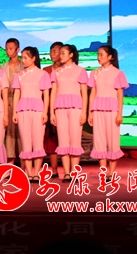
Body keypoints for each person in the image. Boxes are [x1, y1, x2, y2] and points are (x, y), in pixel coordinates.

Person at [88, 45, 129, 179]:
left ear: (110, 57)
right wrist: (90, 112)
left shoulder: (118, 73)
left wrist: (119, 113)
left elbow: (120, 95)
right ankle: (103, 172)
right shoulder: (94, 73)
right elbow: (92, 93)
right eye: (98, 54)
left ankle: (111, 173)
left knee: (113, 140)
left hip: (112, 110)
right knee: (99, 140)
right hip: (97, 109)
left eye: (101, 54)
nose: (98, 57)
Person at [49, 44, 88, 183]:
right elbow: (53, 92)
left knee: (75, 141)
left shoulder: (80, 71)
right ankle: (66, 173)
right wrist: (51, 112)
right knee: (63, 141)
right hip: (60, 108)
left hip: (76, 108)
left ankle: (74, 173)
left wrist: (84, 112)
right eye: (60, 53)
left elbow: (84, 93)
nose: (61, 55)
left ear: (71, 54)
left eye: (63, 53)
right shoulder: (56, 72)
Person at [12, 47, 51, 182]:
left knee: (38, 142)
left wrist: (45, 112)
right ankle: (29, 173)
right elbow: (17, 93)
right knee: (26, 142)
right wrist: (14, 112)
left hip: (38, 110)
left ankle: (37, 173)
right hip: (22, 109)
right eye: (22, 57)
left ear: (34, 58)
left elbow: (46, 94)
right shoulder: (19, 75)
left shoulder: (42, 74)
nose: (23, 60)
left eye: (26, 57)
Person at [42, 42, 63, 178]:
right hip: (49, 108)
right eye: (51, 51)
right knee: (51, 139)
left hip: (64, 107)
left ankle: (70, 171)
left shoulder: (68, 70)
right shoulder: (45, 71)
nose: (52, 54)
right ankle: (54, 170)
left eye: (55, 51)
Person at [1, 38, 24, 165]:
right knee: (9, 134)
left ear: (17, 49)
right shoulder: (3, 67)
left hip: (22, 103)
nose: (8, 51)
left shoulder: (24, 66)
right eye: (6, 49)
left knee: (22, 134)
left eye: (11, 48)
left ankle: (24, 166)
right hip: (7, 102)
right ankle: (10, 165)